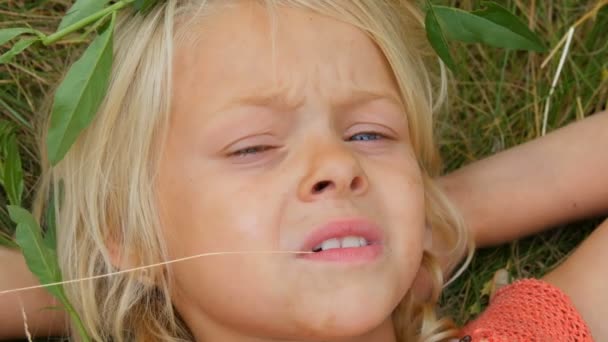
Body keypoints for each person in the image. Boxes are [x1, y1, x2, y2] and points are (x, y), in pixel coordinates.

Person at [0, 0, 606, 341]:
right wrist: (86, 280)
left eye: (370, 135)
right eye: (253, 147)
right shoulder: (130, 247)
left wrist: (421, 222)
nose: (339, 165)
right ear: (130, 233)